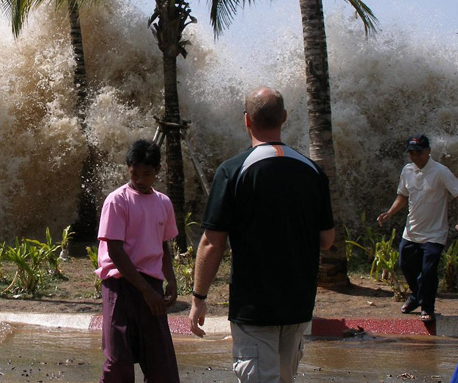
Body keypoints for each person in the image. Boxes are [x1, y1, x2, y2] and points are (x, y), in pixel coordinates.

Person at [189, 87, 335, 383]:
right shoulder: (312, 171)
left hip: (254, 305)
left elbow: (211, 243)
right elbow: (327, 239)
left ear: (246, 120)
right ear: (284, 117)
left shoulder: (233, 171)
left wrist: (198, 298)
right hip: (298, 304)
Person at [95, 139, 180, 383]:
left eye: (147, 174)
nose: (140, 180)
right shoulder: (117, 200)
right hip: (120, 285)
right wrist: (144, 290)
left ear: (157, 172)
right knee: (118, 362)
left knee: (161, 363)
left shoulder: (163, 203)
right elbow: (115, 250)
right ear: (128, 169)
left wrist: (170, 281)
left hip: (151, 285)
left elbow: (162, 244)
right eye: (135, 173)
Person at [376, 134, 458, 323]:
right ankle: (416, 296)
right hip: (412, 231)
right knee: (405, 265)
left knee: (428, 270)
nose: (414, 157)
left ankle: (427, 307)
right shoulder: (407, 170)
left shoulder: (441, 172)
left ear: (428, 151)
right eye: (411, 153)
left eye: (418, 152)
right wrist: (389, 213)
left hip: (435, 233)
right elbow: (402, 195)